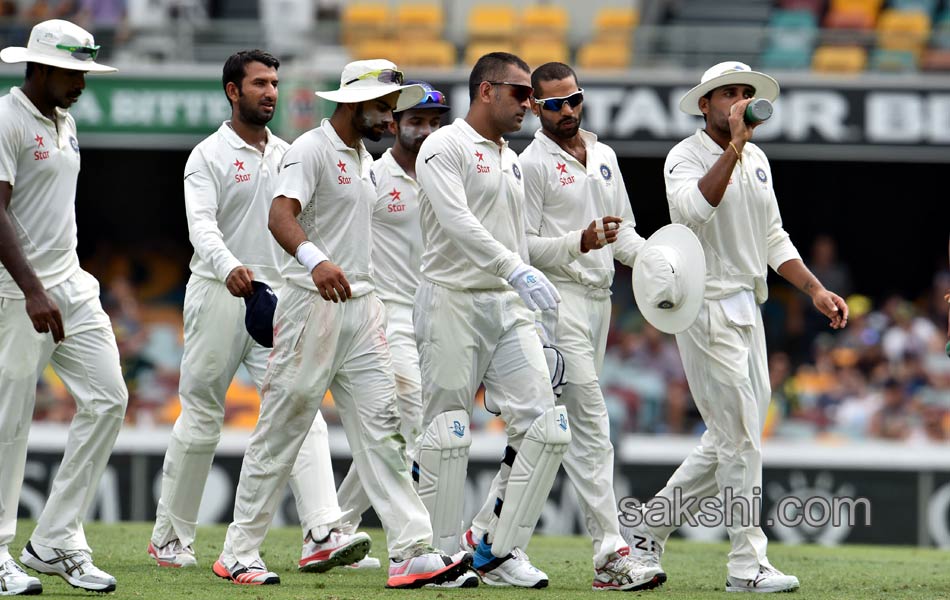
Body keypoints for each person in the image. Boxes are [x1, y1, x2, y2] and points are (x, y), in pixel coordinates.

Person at [214, 59, 470, 589]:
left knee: (385, 430)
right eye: (384, 108)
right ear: (353, 103)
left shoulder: (359, 156)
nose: (392, 118)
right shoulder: (311, 149)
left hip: (362, 306)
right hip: (311, 304)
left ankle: (412, 549)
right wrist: (315, 260)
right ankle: (239, 551)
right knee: (282, 430)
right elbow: (279, 215)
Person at [621, 61, 849, 594]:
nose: (740, 101)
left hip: (748, 304)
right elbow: (691, 212)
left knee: (731, 436)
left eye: (746, 93)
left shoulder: (759, 158)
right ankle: (746, 564)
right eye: (729, 94)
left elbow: (773, 237)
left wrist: (814, 289)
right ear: (705, 103)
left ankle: (649, 527)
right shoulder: (685, 155)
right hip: (704, 305)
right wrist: (735, 147)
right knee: (741, 438)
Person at [147, 49, 370, 575]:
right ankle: (171, 539)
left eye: (274, 83)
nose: (270, 92)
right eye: (259, 84)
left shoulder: (290, 153)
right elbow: (200, 226)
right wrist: (229, 267)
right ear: (233, 91)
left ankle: (321, 530)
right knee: (202, 418)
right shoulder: (207, 155)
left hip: (277, 302)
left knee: (300, 406)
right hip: (218, 293)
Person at [462, 61, 662, 592]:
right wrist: (582, 240)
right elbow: (523, 249)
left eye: (574, 100)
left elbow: (624, 234)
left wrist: (658, 266)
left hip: (601, 303)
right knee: (592, 426)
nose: (568, 111)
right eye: (555, 104)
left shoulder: (605, 155)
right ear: (534, 107)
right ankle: (610, 555)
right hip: (555, 305)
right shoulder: (530, 165)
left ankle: (483, 535)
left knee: (551, 432)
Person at [413, 51, 572, 589]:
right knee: (447, 432)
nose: (532, 104)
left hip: (505, 303)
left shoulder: (510, 157)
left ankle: (496, 548)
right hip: (451, 298)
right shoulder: (444, 146)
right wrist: (514, 267)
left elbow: (517, 239)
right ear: (486, 91)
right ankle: (433, 557)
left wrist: (531, 286)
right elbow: (456, 222)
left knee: (546, 426)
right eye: (522, 93)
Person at [0, 18, 125, 595]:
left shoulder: (64, 118)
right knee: (10, 421)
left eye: (85, 73)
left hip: (71, 286)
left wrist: (57, 282)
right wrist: (30, 288)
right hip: (16, 292)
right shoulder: (6, 117)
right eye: (73, 72)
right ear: (41, 66)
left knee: (108, 401)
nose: (81, 83)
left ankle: (53, 540)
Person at [334, 80, 468, 578]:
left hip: (437, 310)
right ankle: (404, 542)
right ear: (395, 124)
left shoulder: (448, 174)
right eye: (416, 120)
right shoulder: (374, 174)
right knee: (410, 419)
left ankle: (334, 528)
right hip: (387, 310)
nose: (426, 130)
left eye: (435, 122)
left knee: (402, 433)